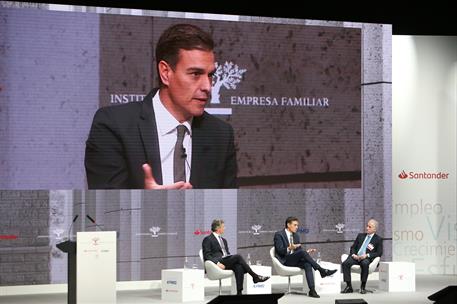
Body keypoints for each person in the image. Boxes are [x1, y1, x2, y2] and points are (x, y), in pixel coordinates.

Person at [85, 24, 237, 189]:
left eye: (210, 75)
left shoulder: (220, 134)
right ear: (165, 73)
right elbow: (105, 210)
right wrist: (151, 204)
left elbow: (227, 211)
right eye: (195, 74)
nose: (207, 86)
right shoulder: (113, 125)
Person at [273, 216, 337, 298]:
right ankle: (322, 270)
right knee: (302, 253)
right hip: (285, 260)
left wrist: (306, 252)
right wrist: (290, 248)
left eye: (297, 225)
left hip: (294, 259)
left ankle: (312, 290)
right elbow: (279, 251)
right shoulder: (279, 234)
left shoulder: (296, 236)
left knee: (307, 264)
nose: (297, 227)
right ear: (288, 225)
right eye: (295, 225)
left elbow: (298, 251)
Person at [202, 219, 269, 295]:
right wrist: (217, 263)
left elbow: (227, 254)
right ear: (218, 228)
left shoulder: (224, 240)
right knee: (238, 257)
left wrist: (230, 259)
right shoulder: (207, 239)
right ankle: (255, 276)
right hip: (217, 263)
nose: (225, 228)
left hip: (225, 260)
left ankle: (239, 293)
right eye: (223, 227)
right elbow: (207, 255)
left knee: (238, 266)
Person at [341, 218, 383, 294]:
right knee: (345, 263)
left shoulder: (378, 239)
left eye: (369, 227)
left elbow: (379, 253)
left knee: (365, 264)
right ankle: (349, 287)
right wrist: (353, 254)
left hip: (366, 258)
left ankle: (363, 287)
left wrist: (367, 255)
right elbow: (353, 247)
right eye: (367, 226)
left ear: (374, 229)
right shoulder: (360, 236)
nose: (367, 228)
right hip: (356, 257)